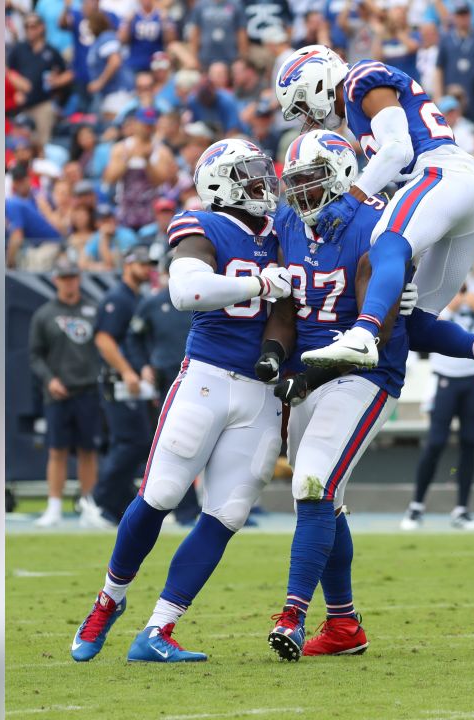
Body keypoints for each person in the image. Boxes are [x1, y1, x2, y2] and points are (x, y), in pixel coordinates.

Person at [257, 131, 474, 660]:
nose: (301, 193)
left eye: (311, 181)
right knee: (321, 498)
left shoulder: (378, 222)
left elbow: (389, 327)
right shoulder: (288, 221)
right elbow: (287, 309)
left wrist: (306, 376)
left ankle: (292, 615)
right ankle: (344, 626)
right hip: (310, 367)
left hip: (365, 370)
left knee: (312, 481)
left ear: (339, 176)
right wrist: (276, 359)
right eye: (296, 184)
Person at [69, 139, 293, 664]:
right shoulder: (202, 224)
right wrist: (259, 282)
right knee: (161, 493)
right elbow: (185, 291)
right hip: (207, 378)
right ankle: (109, 600)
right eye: (253, 175)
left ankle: (158, 629)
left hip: (261, 392)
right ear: (223, 182)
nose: (266, 184)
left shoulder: (284, 232)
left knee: (228, 512)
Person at [273, 47, 474, 419]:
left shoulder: (359, 78)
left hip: (442, 174)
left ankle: (363, 334)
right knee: (410, 319)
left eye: (304, 105)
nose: (309, 117)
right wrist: (403, 268)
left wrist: (353, 198)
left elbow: (398, 150)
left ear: (317, 80)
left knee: (385, 244)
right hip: (459, 195)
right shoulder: (354, 107)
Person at [401, 277, 474, 532]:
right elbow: (423, 329)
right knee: (435, 442)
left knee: (470, 441)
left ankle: (462, 509)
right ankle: (415, 507)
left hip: (473, 378)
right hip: (443, 376)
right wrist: (452, 308)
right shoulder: (437, 284)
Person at [29, 255, 108, 527]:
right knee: (57, 451)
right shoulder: (44, 314)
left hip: (87, 389)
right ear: (55, 281)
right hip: (57, 392)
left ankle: (89, 505)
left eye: (73, 276)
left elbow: (104, 346)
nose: (69, 282)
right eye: (64, 278)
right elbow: (34, 355)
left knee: (88, 451)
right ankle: (54, 507)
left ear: (79, 278)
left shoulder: (93, 309)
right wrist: (50, 379)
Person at [128, 257, 202, 525]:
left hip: (203, 375)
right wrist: (142, 365)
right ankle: (179, 506)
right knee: (175, 441)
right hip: (167, 378)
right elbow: (133, 338)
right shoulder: (152, 303)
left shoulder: (203, 297)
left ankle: (203, 507)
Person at [90, 244, 158, 524]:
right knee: (130, 442)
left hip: (131, 382)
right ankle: (98, 501)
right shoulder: (118, 298)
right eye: (141, 264)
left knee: (136, 443)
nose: (146, 269)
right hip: (118, 382)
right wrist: (128, 372)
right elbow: (103, 339)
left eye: (148, 265)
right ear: (128, 265)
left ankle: (113, 505)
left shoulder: (135, 297)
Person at [6, 14, 73, 148]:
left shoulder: (51, 51)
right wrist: (16, 86)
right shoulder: (19, 49)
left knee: (42, 143)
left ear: (41, 27)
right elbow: (7, 70)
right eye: (26, 27)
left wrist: (57, 81)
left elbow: (69, 72)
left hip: (43, 103)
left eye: (33, 26)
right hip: (21, 106)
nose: (29, 30)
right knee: (21, 146)